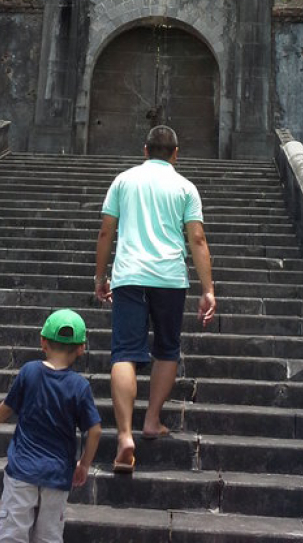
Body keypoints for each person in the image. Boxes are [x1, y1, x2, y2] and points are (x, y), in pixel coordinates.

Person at [94, 124, 216, 473]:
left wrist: (101, 276)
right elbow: (197, 239)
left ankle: (124, 437)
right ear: (176, 154)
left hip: (129, 275)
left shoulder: (124, 180)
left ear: (144, 150)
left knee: (124, 353)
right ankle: (151, 420)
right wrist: (208, 289)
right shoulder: (185, 187)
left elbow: (106, 230)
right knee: (166, 349)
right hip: (169, 277)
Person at [0, 308, 102, 543]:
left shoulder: (29, 372)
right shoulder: (79, 386)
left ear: (43, 342)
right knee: (49, 535)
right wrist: (84, 464)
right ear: (81, 348)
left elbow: (8, 406)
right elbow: (94, 430)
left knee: (13, 531)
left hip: (22, 468)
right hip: (57, 472)